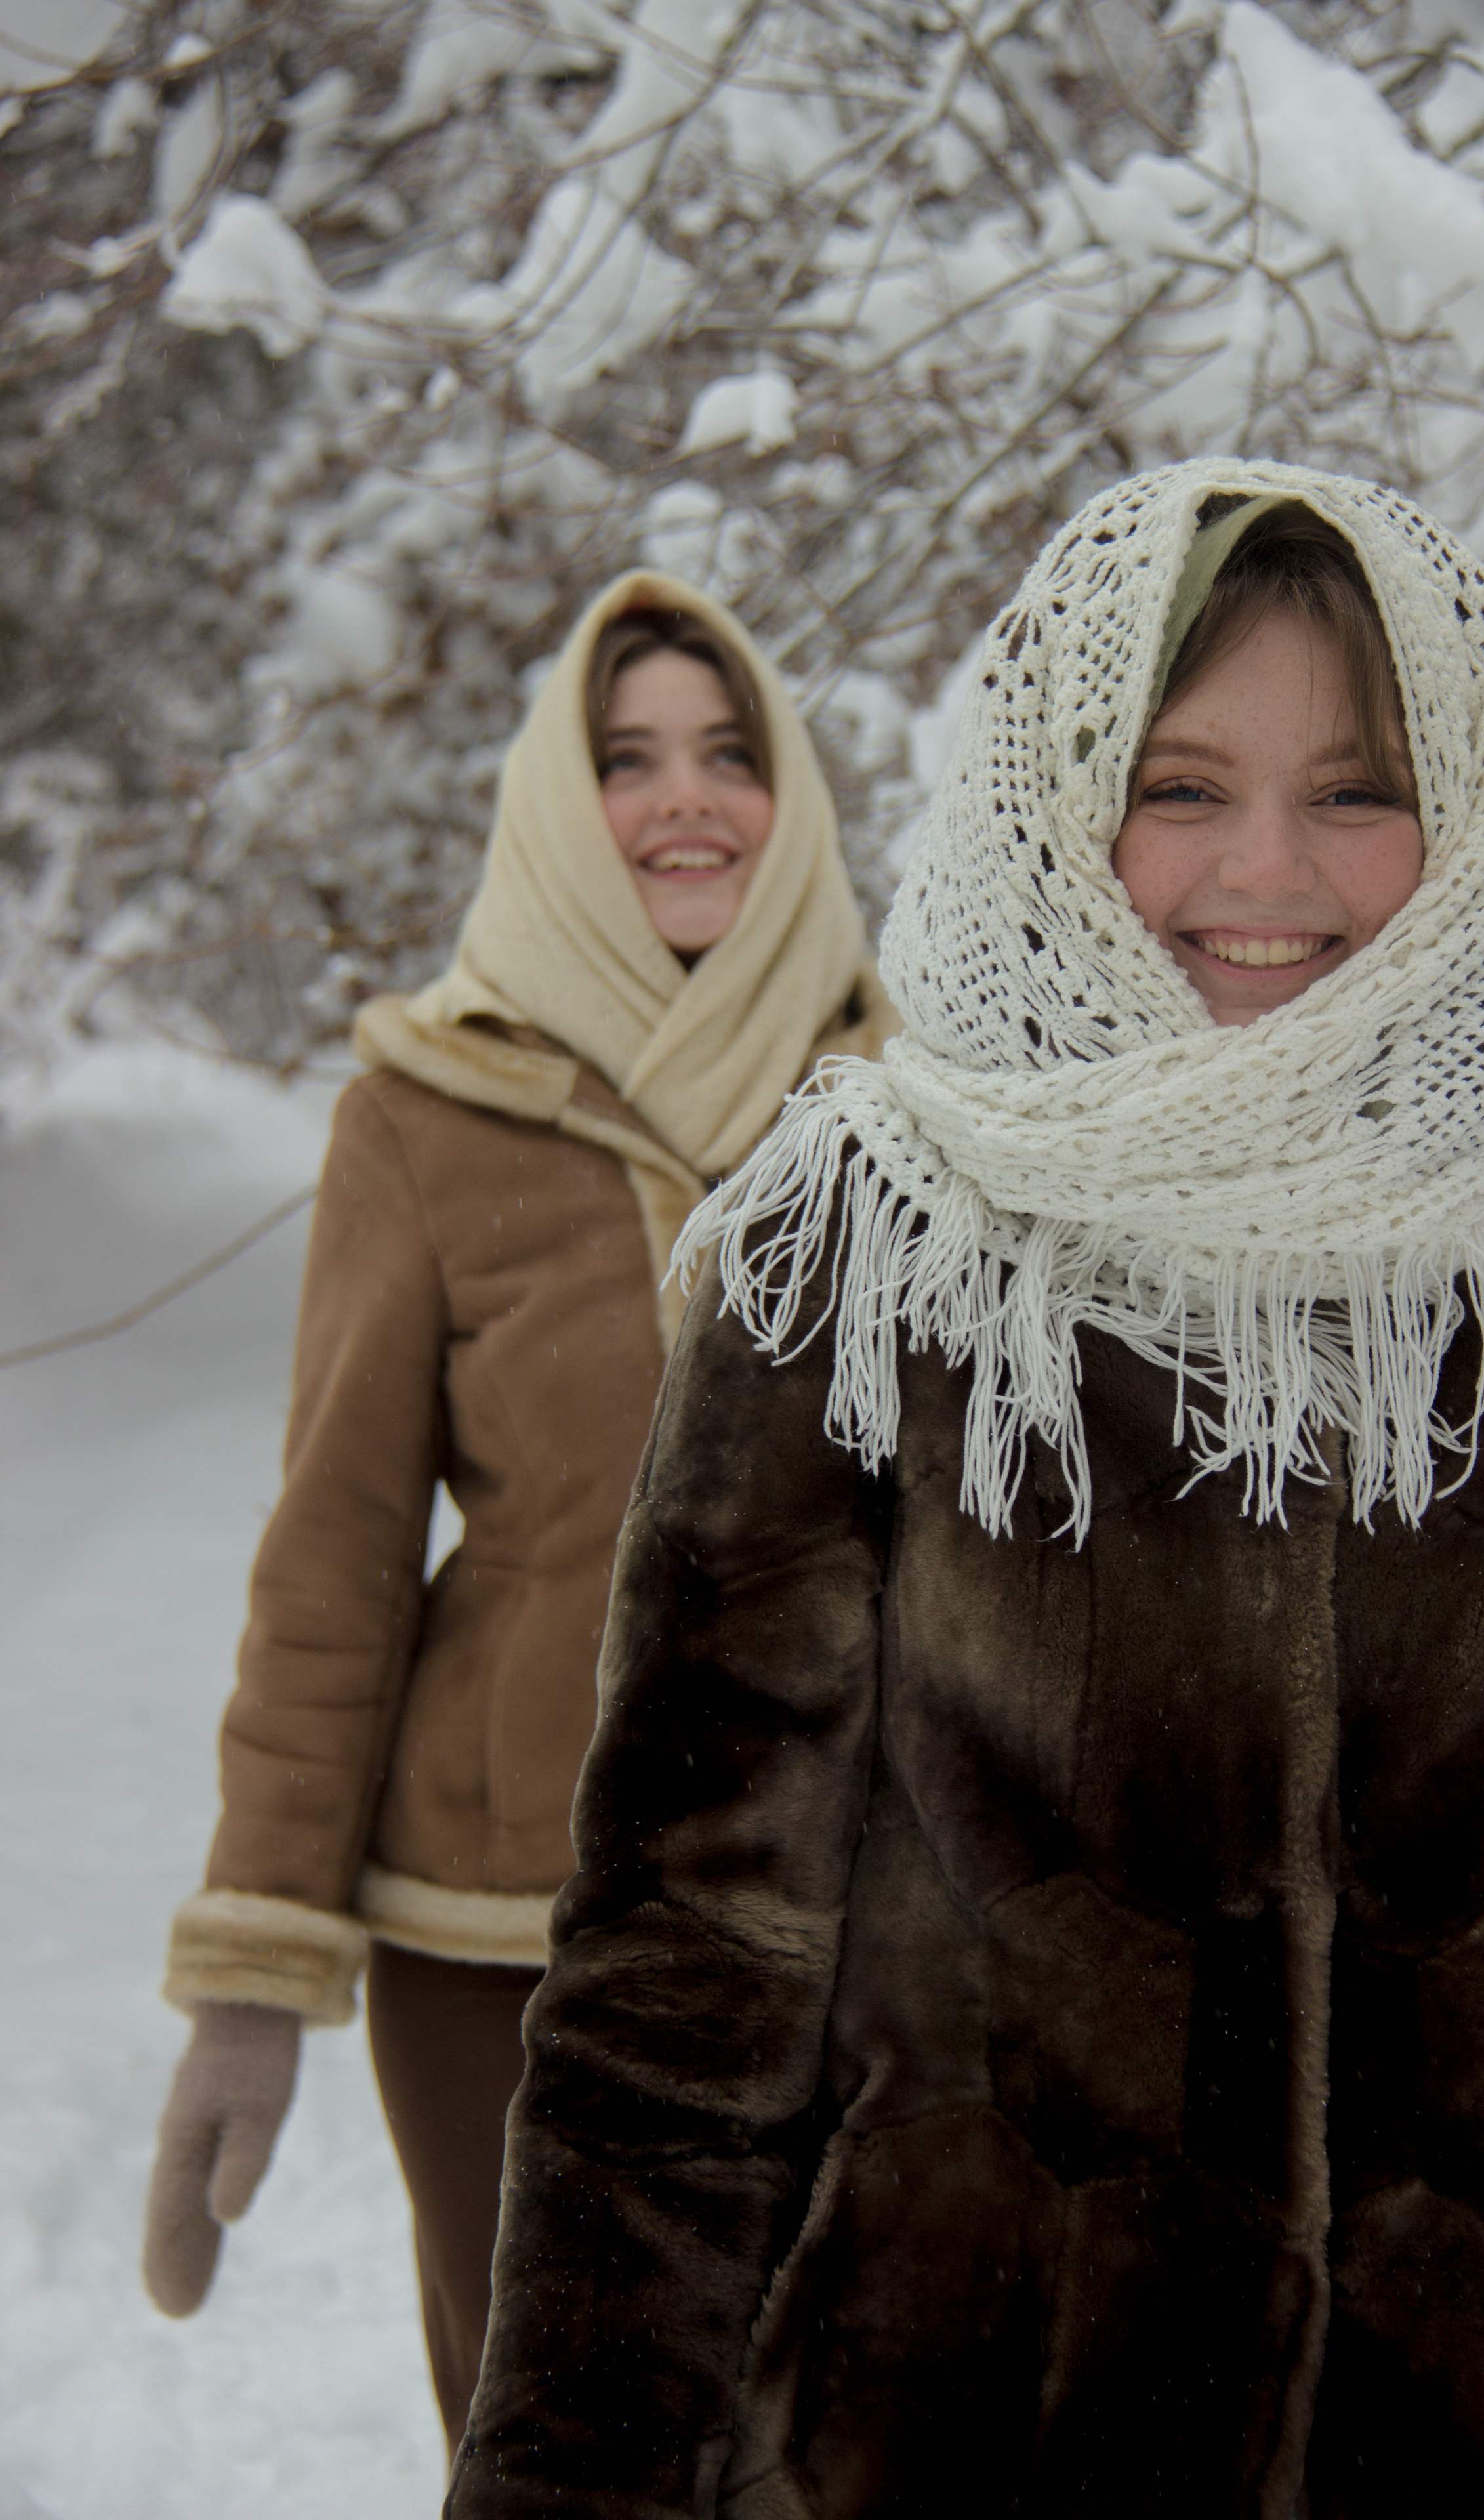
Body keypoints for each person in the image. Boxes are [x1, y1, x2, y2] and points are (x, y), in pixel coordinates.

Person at [445, 467, 1484, 2518]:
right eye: (1180, 785)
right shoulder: (862, 1255)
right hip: (960, 2438)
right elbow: (681, 1986)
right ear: (1055, 790)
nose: (1263, 872)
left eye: (1358, 789)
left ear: (1464, 817)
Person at [140, 568, 894, 2454]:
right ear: (562, 810)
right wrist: (253, 1968)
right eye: (624, 758)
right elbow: (334, 1552)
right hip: (502, 1945)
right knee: (558, 2448)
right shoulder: (429, 1110)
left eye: (730, 752)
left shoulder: (912, 1109)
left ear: (790, 793)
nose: (687, 796)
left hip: (853, 1921)